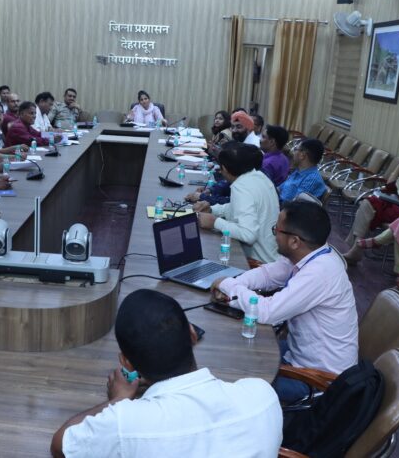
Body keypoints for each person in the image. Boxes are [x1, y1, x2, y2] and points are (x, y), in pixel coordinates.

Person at [51, 289, 282, 457]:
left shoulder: (127, 424)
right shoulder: (262, 396)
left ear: (127, 363)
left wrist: (118, 399)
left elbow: (62, 444)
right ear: (192, 335)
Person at [211, 201, 358, 403]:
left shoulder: (320, 273)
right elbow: (269, 274)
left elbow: (267, 312)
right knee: (232, 352)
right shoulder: (313, 254)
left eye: (276, 230)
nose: (274, 235)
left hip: (318, 380)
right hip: (297, 355)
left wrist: (227, 285)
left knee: (233, 381)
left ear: (295, 241)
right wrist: (234, 284)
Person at [194, 142, 280, 265]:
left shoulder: (241, 187)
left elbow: (248, 235)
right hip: (272, 258)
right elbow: (239, 208)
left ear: (225, 169)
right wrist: (213, 209)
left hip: (258, 263)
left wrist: (215, 222)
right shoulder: (259, 177)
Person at [278, 138, 327, 203]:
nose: (293, 153)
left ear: (302, 155)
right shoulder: (299, 171)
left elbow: (294, 204)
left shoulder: (312, 179)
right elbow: (279, 189)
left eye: (295, 149)